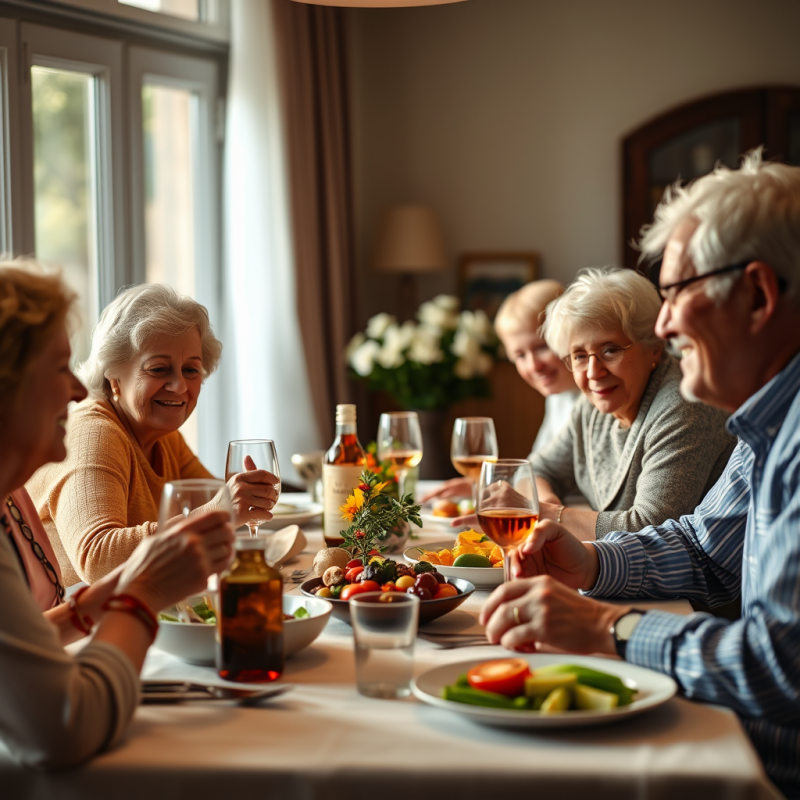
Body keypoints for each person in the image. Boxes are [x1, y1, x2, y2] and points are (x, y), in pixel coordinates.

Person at [480, 150, 800, 798]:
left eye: (678, 292)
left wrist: (605, 627)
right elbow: (705, 550)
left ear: (758, 294)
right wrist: (592, 564)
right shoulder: (767, 423)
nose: (664, 323)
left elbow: (780, 671)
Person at [0, 260, 235, 768]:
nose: (74, 389)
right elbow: (62, 731)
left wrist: (84, 612)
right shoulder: (93, 428)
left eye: (190, 370)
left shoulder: (9, 492)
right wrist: (141, 594)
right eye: (58, 368)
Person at [28, 283, 278, 586]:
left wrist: (245, 496)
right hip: (67, 613)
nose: (180, 386)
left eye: (191, 370)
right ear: (114, 377)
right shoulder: (93, 433)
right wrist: (220, 511)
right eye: (159, 369)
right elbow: (97, 559)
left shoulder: (162, 435)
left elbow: (214, 498)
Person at [528, 266, 734, 540]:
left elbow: (651, 529)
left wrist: (553, 516)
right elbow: (537, 469)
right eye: (579, 356)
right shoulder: (595, 402)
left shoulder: (683, 407)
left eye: (610, 350)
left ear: (654, 348)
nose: (593, 372)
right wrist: (550, 509)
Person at [422, 280, 579, 505]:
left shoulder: (597, 401)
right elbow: (540, 469)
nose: (534, 366)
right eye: (520, 355)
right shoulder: (558, 397)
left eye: (542, 347)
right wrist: (487, 486)